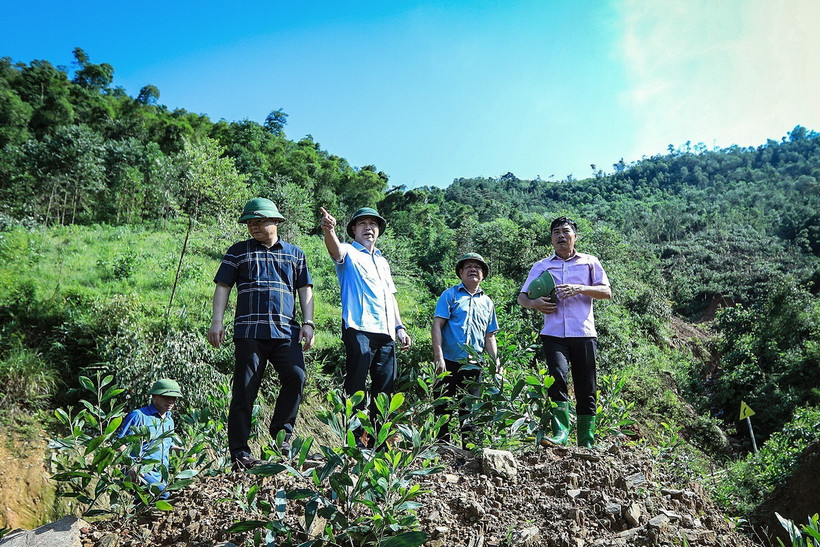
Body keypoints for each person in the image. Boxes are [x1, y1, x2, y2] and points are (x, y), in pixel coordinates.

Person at [208, 197, 315, 470]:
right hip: (249, 331)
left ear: (276, 222)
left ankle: (282, 439)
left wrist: (309, 323)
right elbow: (223, 287)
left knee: (296, 375)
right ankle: (240, 454)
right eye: (250, 223)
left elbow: (305, 290)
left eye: (259, 221)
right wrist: (217, 322)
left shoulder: (295, 254)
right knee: (244, 390)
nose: (254, 227)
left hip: (285, 332)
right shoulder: (238, 251)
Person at [319, 206, 411, 447]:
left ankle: (379, 441)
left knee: (385, 387)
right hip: (358, 327)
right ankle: (356, 440)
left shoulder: (383, 261)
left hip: (387, 331)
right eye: (362, 224)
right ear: (353, 230)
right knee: (357, 384)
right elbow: (335, 251)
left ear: (378, 231)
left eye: (373, 224)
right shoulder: (349, 251)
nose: (368, 228)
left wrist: (400, 327)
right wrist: (330, 230)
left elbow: (390, 296)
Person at [517, 217, 611, 448]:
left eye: (565, 231)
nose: (561, 235)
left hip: (583, 331)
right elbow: (522, 297)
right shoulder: (541, 265)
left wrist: (580, 288)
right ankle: (561, 433)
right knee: (557, 378)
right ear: (551, 239)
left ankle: (586, 441)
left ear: (575, 237)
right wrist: (535, 303)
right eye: (556, 232)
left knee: (586, 386)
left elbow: (606, 291)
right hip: (553, 333)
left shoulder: (590, 262)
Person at [431, 253, 500, 444]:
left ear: (483, 275)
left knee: (469, 411)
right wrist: (439, 357)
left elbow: (490, 336)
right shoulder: (450, 295)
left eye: (477, 267)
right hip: (449, 362)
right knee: (442, 408)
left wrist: (496, 364)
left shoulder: (487, 302)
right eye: (468, 266)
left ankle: (469, 453)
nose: (473, 270)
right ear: (460, 272)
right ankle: (442, 450)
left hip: (473, 365)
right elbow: (437, 325)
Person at [118, 378, 184, 499]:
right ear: (154, 396)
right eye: (166, 397)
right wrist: (131, 466)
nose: (170, 401)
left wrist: (185, 452)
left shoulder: (169, 420)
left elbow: (167, 446)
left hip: (160, 476)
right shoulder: (139, 416)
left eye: (174, 398)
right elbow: (119, 443)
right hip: (140, 471)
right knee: (164, 496)